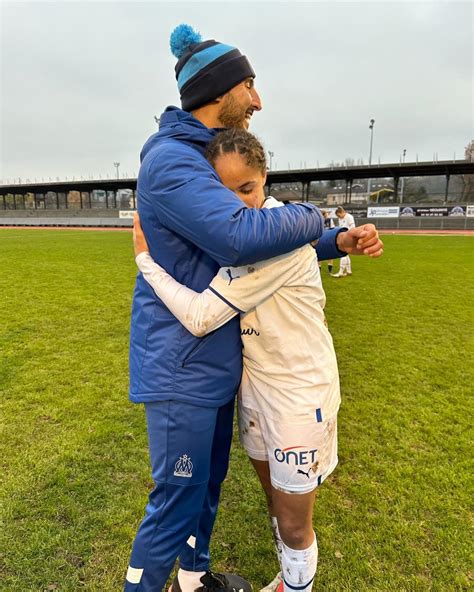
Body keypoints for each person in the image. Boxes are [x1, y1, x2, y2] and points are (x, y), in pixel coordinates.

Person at [126, 23, 365, 592]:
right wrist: (314, 216)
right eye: (250, 85)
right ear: (218, 89)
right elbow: (240, 235)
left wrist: (334, 243)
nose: (258, 99)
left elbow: (261, 243)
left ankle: (192, 579)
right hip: (182, 361)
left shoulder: (202, 153)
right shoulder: (172, 161)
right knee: (176, 499)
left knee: (204, 489)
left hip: (214, 362)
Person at [331, 206, 356, 277]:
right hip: (343, 237)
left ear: (341, 212)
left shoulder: (349, 217)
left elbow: (353, 228)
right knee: (346, 254)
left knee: (343, 253)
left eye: (339, 215)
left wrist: (347, 235)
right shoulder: (340, 219)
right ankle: (349, 271)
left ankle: (341, 272)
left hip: (348, 237)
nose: (339, 217)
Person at [319, 210, 335, 274]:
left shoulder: (329, 220)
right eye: (326, 214)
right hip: (320, 239)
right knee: (319, 256)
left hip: (328, 239)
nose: (327, 215)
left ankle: (330, 271)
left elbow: (332, 229)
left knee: (330, 255)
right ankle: (319, 271)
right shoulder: (318, 221)